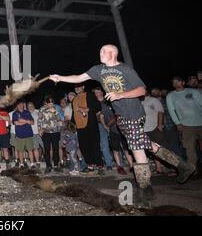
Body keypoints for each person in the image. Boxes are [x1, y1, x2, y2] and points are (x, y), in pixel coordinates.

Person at [50, 44, 195, 206]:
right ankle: (182, 165)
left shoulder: (125, 69)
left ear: (112, 53)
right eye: (100, 51)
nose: (100, 53)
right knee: (145, 144)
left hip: (133, 112)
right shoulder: (99, 70)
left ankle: (145, 189)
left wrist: (120, 95)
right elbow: (78, 78)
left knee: (136, 148)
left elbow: (141, 90)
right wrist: (60, 77)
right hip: (122, 116)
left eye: (103, 51)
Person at [166, 76, 202, 171]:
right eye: (174, 82)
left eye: (177, 81)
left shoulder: (193, 92)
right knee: (189, 147)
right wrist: (177, 123)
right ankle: (192, 169)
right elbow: (171, 111)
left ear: (183, 83)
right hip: (186, 125)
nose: (175, 83)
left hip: (200, 122)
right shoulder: (170, 96)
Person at [72, 83, 104, 175]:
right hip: (79, 127)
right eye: (75, 87)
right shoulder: (74, 99)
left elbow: (98, 107)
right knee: (84, 147)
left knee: (95, 145)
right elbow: (74, 114)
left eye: (79, 87)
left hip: (91, 125)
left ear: (83, 87)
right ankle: (90, 166)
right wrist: (71, 125)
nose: (77, 89)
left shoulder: (89, 95)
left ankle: (100, 166)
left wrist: (88, 109)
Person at [38, 97, 63, 173]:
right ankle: (48, 166)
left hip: (55, 132)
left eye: (52, 103)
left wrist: (55, 112)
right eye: (50, 103)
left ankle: (56, 165)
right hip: (46, 132)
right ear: (46, 103)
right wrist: (39, 129)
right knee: (47, 149)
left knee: (56, 149)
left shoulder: (55, 108)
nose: (51, 105)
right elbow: (39, 120)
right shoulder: (42, 109)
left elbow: (59, 119)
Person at [93, 88, 115, 171]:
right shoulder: (94, 103)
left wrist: (108, 125)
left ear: (102, 92)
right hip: (99, 125)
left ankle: (119, 162)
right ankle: (108, 163)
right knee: (103, 144)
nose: (97, 93)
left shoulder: (108, 101)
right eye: (95, 92)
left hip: (112, 124)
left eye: (98, 92)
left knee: (115, 145)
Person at [12, 100, 35, 169]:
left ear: (23, 105)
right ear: (17, 105)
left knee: (30, 150)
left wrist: (23, 121)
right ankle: (21, 164)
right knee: (20, 150)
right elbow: (16, 123)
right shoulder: (15, 113)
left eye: (21, 104)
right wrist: (27, 121)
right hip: (20, 135)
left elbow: (32, 122)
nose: (20, 105)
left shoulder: (27, 112)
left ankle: (32, 164)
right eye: (18, 104)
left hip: (29, 134)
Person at [27, 102, 43, 169]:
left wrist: (42, 129)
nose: (30, 107)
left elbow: (43, 120)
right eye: (29, 106)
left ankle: (50, 162)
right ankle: (38, 162)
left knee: (46, 147)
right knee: (35, 148)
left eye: (31, 105)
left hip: (41, 132)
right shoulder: (26, 113)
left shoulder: (38, 111)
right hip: (32, 134)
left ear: (34, 105)